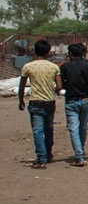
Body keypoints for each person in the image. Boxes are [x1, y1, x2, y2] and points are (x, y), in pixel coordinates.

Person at [18, 39, 61, 169]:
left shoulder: (28, 67)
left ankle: (41, 159)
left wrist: (21, 100)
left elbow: (21, 86)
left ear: (35, 52)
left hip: (35, 102)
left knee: (37, 131)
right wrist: (53, 90)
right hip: (50, 102)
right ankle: (47, 154)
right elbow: (59, 86)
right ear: (48, 52)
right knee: (49, 129)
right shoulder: (54, 67)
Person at [60, 43, 88, 167]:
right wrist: (86, 86)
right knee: (83, 127)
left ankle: (79, 156)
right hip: (85, 99)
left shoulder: (65, 67)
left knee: (73, 128)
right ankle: (80, 151)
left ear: (70, 54)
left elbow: (61, 84)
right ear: (82, 53)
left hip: (71, 100)